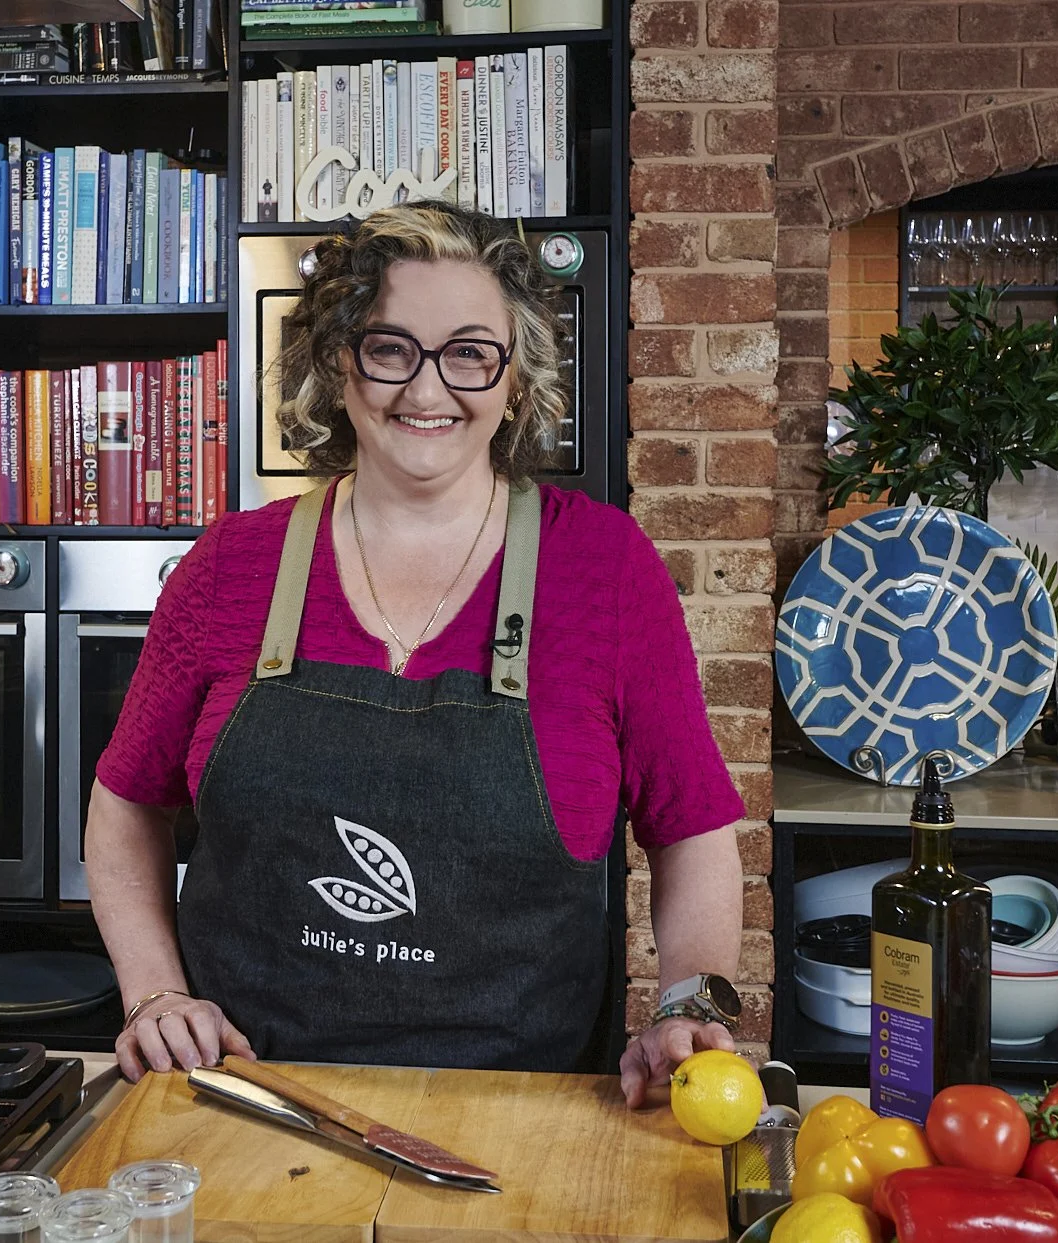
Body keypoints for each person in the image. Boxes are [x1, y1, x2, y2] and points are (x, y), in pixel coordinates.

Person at [86, 200, 744, 1107]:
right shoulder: (229, 567)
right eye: (390, 347)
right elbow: (125, 800)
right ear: (337, 365)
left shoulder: (603, 569)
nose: (426, 391)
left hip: (525, 1107)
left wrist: (686, 1000)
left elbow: (692, 827)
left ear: (515, 381)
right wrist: (155, 993)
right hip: (244, 1092)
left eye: (470, 352)